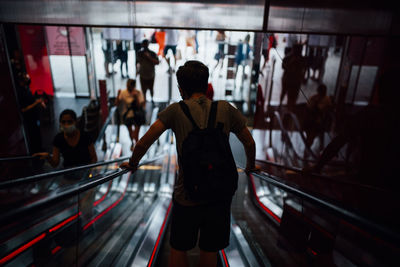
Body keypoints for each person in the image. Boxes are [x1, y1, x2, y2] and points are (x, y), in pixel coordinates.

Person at [120, 60, 256, 267]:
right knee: (210, 249)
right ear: (206, 83)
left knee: (179, 248)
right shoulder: (226, 109)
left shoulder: (175, 111)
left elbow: (144, 142)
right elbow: (249, 142)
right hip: (219, 196)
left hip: (187, 196)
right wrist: (250, 166)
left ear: (181, 88)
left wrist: (132, 163)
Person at [302, 83, 333, 155]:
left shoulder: (326, 100)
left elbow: (324, 110)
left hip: (318, 122)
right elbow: (308, 108)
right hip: (312, 121)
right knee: (311, 136)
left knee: (312, 136)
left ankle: (308, 150)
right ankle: (309, 149)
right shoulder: (314, 98)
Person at [115, 79, 146, 148]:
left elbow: (140, 106)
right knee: (130, 131)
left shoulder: (138, 92)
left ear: (133, 86)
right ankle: (132, 142)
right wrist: (118, 95)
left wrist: (136, 97)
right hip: (127, 115)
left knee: (136, 133)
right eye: (127, 86)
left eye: (130, 86)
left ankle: (137, 146)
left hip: (137, 114)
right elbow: (116, 104)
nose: (128, 88)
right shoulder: (123, 92)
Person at [280, 44, 307, 110]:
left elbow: (304, 69)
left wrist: (302, 77)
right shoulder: (288, 57)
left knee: (293, 96)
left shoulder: (301, 58)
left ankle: (289, 108)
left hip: (296, 81)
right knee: (284, 92)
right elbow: (283, 66)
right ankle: (280, 105)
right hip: (287, 79)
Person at [137, 39, 160, 104]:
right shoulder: (139, 53)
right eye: (144, 44)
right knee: (143, 90)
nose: (145, 46)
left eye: (146, 44)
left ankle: (152, 99)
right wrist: (137, 71)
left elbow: (157, 62)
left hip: (150, 74)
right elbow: (138, 62)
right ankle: (144, 100)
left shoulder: (152, 53)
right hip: (142, 74)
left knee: (151, 88)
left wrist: (149, 57)